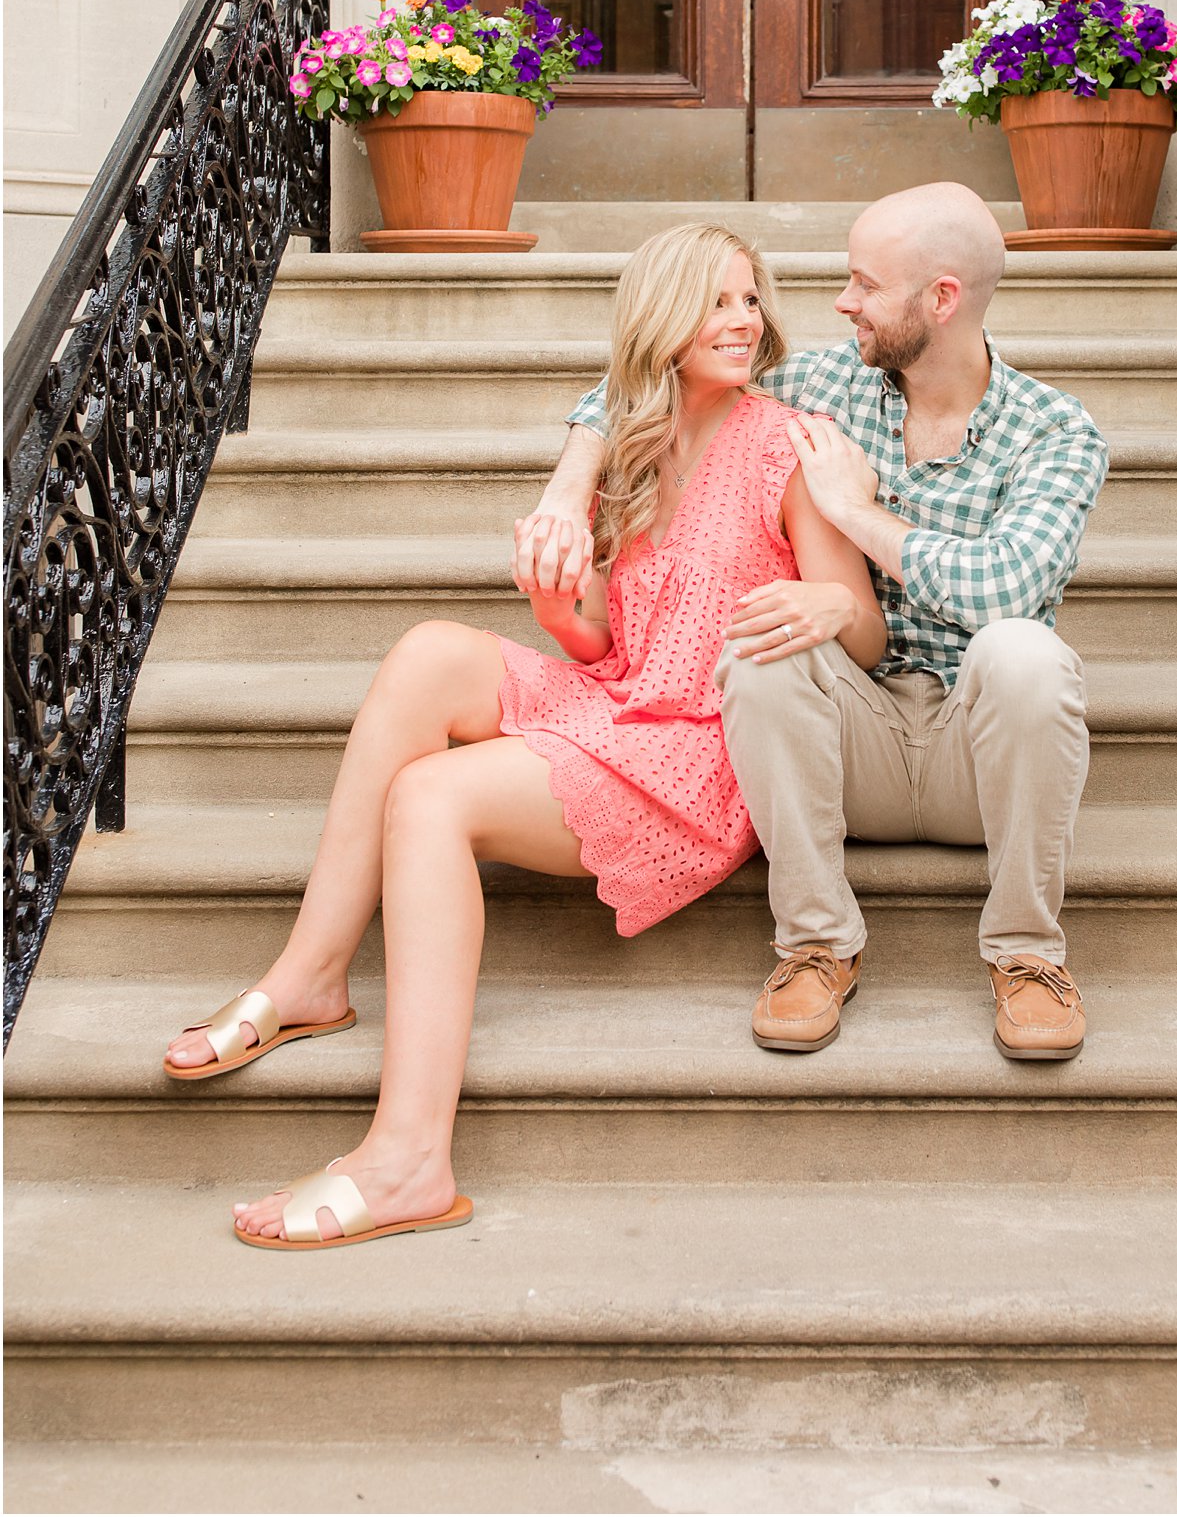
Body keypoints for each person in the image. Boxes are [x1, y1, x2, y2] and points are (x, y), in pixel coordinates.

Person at [161, 225, 884, 1248]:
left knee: (430, 796)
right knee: (425, 652)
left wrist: (823, 603)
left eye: (750, 301)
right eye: (716, 302)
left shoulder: (786, 444)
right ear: (659, 320)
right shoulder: (630, 448)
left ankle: (410, 1159)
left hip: (707, 749)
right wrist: (552, 604)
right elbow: (597, 640)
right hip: (623, 699)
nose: (740, 321)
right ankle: (310, 976)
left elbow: (860, 624)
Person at [518, 183, 1108, 1063]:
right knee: (762, 646)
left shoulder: (1056, 431)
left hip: (978, 753)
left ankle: (1028, 954)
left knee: (1025, 650)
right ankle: (817, 943)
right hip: (849, 735)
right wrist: (570, 489)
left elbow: (1003, 587)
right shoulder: (832, 379)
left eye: (865, 285)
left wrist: (859, 516)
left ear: (939, 299)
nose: (842, 303)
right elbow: (651, 369)